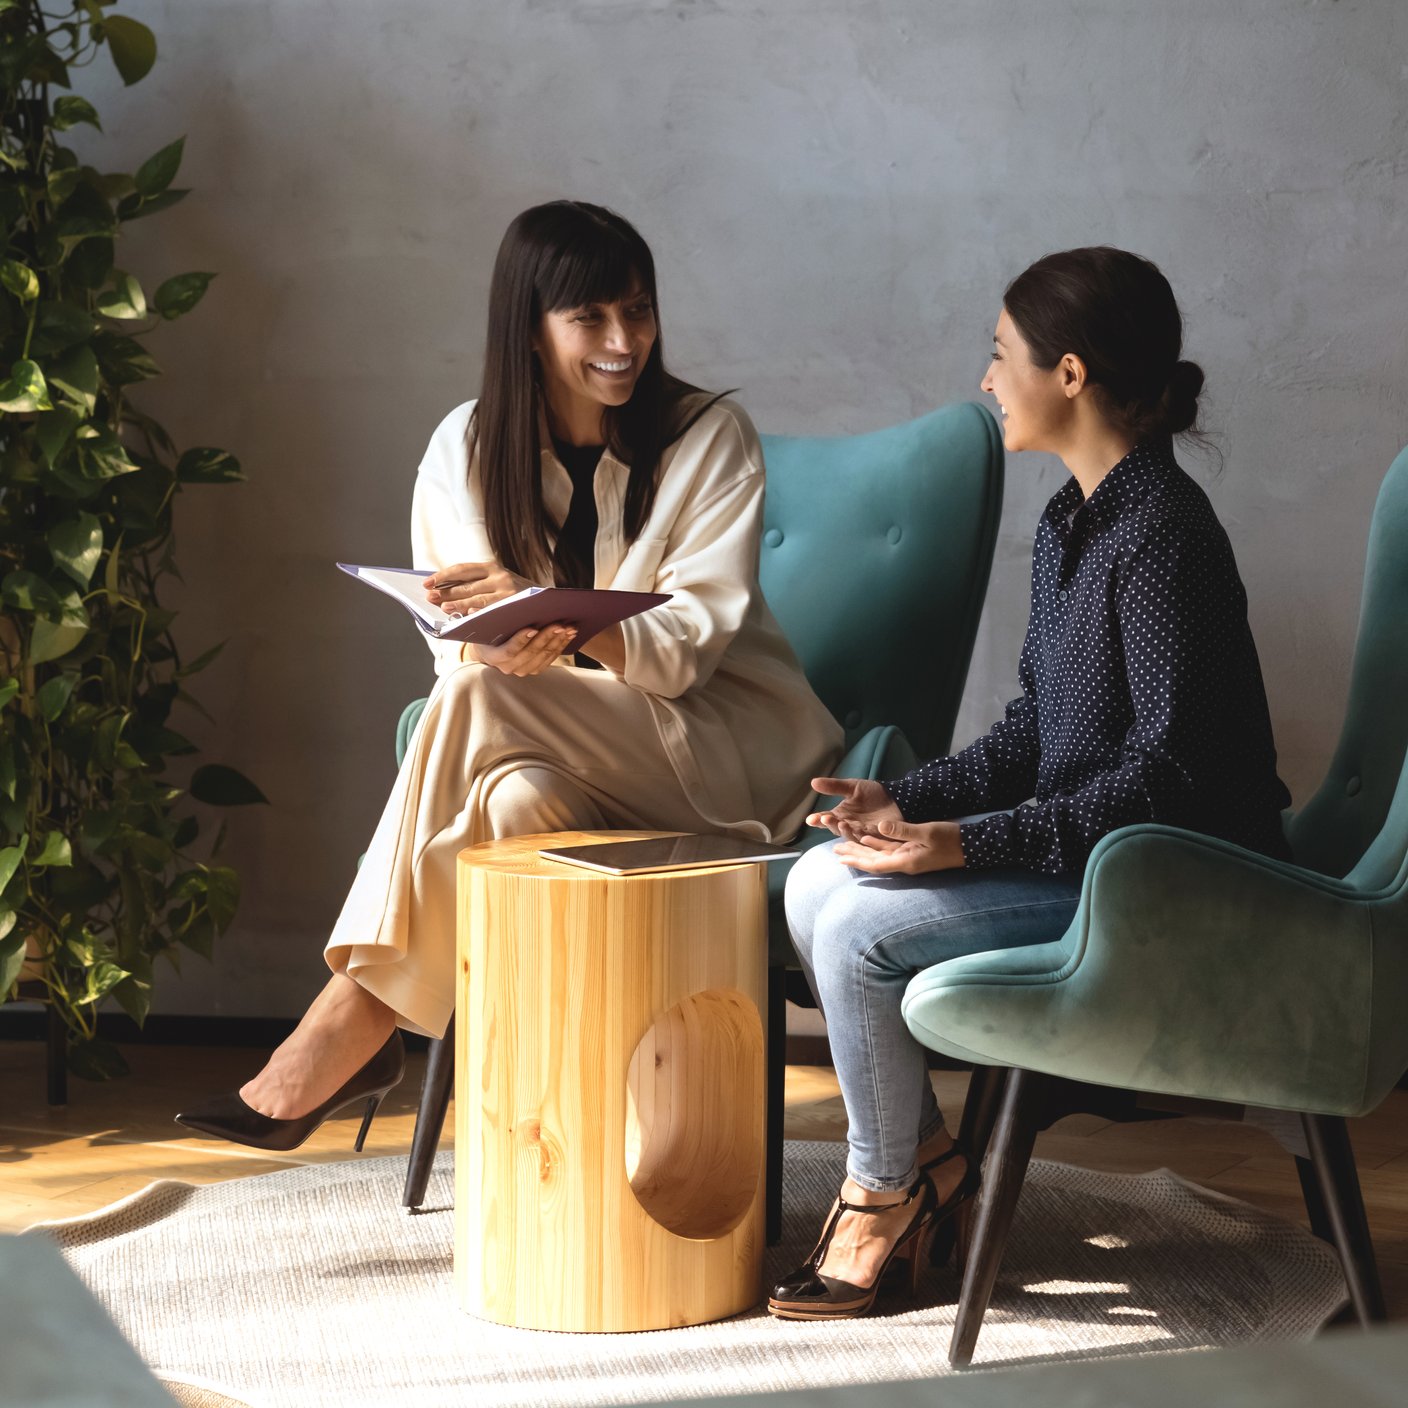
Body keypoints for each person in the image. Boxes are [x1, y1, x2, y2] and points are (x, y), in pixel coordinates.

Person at [177, 201, 842, 1149]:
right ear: (528, 327)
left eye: (639, 312)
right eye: (591, 319)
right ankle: (557, 1137)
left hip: (729, 760)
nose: (625, 342)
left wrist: (551, 617)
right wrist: (492, 638)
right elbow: (455, 641)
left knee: (482, 699)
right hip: (554, 753)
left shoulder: (708, 435)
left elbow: (689, 648)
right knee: (515, 801)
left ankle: (349, 1021)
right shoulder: (464, 445)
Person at [769, 246, 1291, 1321]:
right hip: (1096, 854)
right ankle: (924, 1165)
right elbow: (1036, 731)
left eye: (999, 355)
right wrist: (909, 803)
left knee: (860, 929)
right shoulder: (1072, 520)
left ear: (1067, 374)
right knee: (818, 879)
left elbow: (1168, 777)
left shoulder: (1160, 536)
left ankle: (884, 1190)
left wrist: (966, 845)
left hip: (1167, 881)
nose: (984, 379)